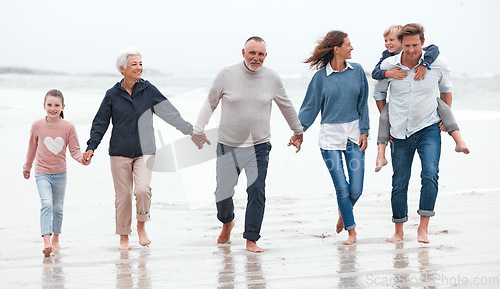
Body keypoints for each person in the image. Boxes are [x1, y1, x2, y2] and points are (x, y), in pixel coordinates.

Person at [191, 36, 303, 252]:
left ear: (265, 56)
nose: (256, 58)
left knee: (257, 190)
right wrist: (198, 130)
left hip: (259, 147)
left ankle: (251, 239)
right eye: (252, 53)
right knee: (222, 193)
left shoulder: (272, 78)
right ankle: (227, 222)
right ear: (243, 53)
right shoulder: (226, 74)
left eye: (260, 54)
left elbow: (286, 105)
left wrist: (298, 131)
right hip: (228, 145)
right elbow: (210, 102)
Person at [83, 47, 195, 250]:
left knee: (142, 190)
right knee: (123, 196)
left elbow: (169, 113)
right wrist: (92, 146)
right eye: (134, 64)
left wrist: (190, 130)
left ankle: (141, 226)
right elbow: (100, 122)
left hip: (145, 151)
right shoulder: (112, 95)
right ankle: (124, 236)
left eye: (141, 64)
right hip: (119, 152)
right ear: (122, 68)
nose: (139, 67)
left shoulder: (148, 90)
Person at [373, 23, 452, 243]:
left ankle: (423, 228)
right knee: (399, 181)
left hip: (429, 128)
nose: (410, 50)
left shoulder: (437, 63)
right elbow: (378, 93)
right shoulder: (389, 64)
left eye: (415, 45)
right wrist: (385, 121)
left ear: (422, 43)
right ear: (401, 44)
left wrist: (447, 119)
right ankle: (399, 231)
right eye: (406, 45)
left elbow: (446, 90)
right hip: (399, 131)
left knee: (430, 174)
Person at [298, 31, 369, 245]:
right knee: (341, 187)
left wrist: (365, 130)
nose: (352, 48)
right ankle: (351, 230)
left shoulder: (357, 72)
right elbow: (309, 108)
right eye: (348, 44)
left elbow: (363, 103)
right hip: (330, 138)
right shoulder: (320, 78)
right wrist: (298, 132)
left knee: (355, 189)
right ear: (336, 49)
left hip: (355, 135)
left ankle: (342, 214)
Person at [372, 25, 469, 172]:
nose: (388, 44)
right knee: (385, 117)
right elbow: (376, 79)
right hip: (399, 124)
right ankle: (380, 155)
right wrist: (388, 73)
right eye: (386, 40)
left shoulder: (432, 58)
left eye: (391, 40)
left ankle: (459, 140)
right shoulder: (387, 60)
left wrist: (424, 64)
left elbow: (445, 86)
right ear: (402, 42)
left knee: (442, 107)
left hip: (428, 124)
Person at [23, 89, 86, 257]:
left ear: (63, 106)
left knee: (58, 207)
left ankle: (56, 238)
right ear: (44, 106)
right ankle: (46, 241)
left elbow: (75, 151)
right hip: (42, 173)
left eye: (57, 105)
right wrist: (27, 166)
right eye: (49, 105)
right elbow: (32, 147)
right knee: (46, 204)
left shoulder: (68, 127)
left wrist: (83, 159)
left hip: (60, 174)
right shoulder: (37, 126)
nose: (53, 108)